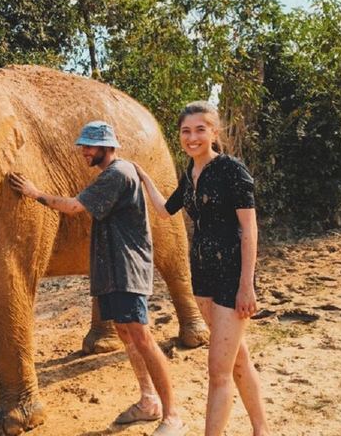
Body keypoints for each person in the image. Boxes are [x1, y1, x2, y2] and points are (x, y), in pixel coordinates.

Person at [9, 121, 189, 436]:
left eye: (88, 146)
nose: (83, 152)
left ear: (106, 147)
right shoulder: (117, 173)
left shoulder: (116, 175)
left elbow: (75, 206)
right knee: (124, 332)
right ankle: (148, 402)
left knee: (143, 338)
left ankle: (172, 416)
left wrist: (33, 193)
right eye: (83, 145)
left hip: (127, 268)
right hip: (113, 269)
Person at [133, 101, 271, 436]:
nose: (192, 137)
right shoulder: (190, 174)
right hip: (203, 275)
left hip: (231, 276)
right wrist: (144, 176)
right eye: (186, 131)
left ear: (214, 132)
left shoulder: (232, 170)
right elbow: (166, 210)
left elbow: (250, 229)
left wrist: (246, 285)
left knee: (218, 371)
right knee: (237, 359)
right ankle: (262, 430)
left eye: (200, 129)